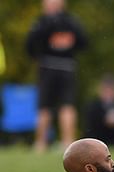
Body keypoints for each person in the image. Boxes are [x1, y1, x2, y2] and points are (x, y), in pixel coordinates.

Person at [25, 0, 88, 152]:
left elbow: (29, 44)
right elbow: (84, 42)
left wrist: (38, 56)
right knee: (58, 106)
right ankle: (56, 142)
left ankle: (47, 143)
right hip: (64, 67)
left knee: (51, 106)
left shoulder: (43, 22)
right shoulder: (71, 22)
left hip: (52, 67)